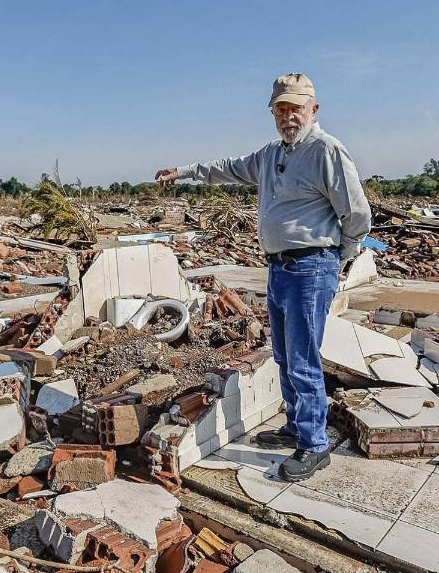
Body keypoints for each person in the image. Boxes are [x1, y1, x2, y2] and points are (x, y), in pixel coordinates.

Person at [155, 73, 371, 481]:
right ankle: (295, 426)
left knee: (304, 359)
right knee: (286, 356)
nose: (288, 116)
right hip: (279, 268)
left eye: (295, 108)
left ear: (314, 109)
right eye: (280, 109)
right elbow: (228, 169)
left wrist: (340, 258)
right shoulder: (272, 154)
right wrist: (182, 171)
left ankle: (314, 444)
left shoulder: (327, 151)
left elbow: (356, 214)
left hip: (312, 267)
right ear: (273, 112)